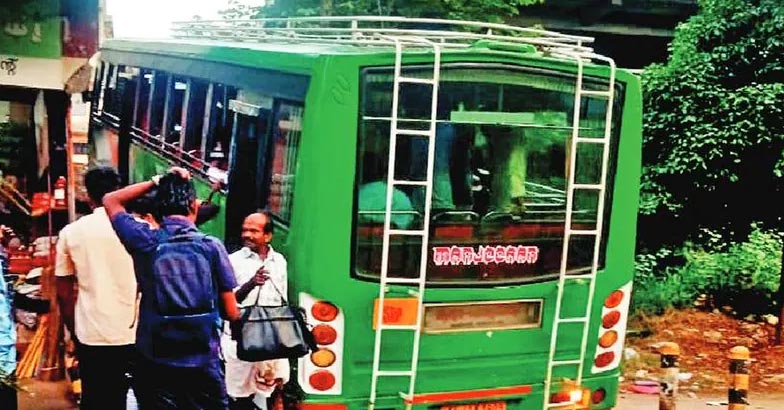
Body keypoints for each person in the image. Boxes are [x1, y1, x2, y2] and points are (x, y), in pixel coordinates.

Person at [103, 167, 240, 409]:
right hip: (203, 364)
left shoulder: (143, 240)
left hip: (154, 361)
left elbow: (111, 200)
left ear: (157, 210)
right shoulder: (211, 247)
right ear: (194, 207)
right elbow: (231, 312)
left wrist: (157, 180)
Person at [54, 167, 137, 410]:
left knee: (97, 397)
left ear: (88, 196)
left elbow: (63, 292)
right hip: (135, 332)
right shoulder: (141, 229)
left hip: (92, 333)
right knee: (133, 397)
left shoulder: (71, 233)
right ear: (120, 192)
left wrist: (74, 330)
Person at [222, 212, 289, 410]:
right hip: (241, 338)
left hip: (271, 339)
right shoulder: (233, 261)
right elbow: (229, 301)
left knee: (272, 386)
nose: (247, 235)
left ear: (268, 236)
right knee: (239, 393)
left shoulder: (279, 261)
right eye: (244, 230)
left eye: (253, 231)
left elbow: (282, 298)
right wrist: (252, 283)